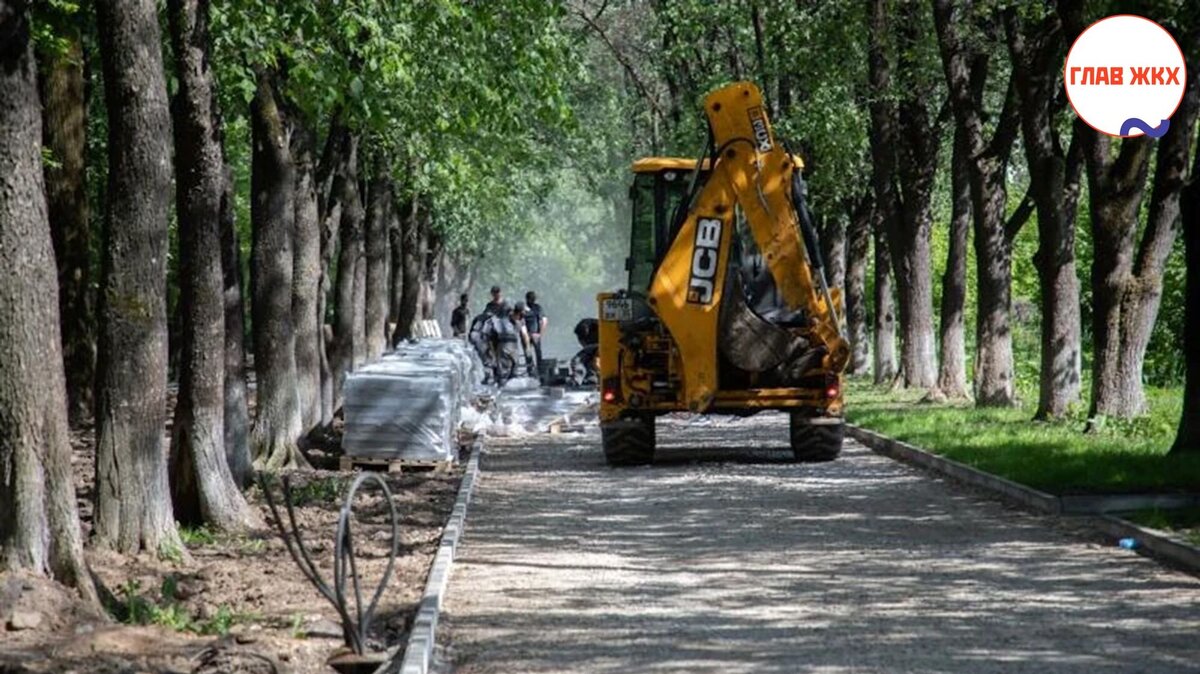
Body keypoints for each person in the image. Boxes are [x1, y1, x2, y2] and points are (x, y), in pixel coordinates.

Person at [524, 290, 547, 376]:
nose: (532, 300)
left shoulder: (538, 308)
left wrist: (540, 334)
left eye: (533, 298)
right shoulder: (524, 308)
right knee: (527, 353)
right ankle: (530, 372)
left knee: (538, 353)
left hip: (534, 334)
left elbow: (543, 321)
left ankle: (540, 371)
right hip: (525, 334)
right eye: (530, 298)